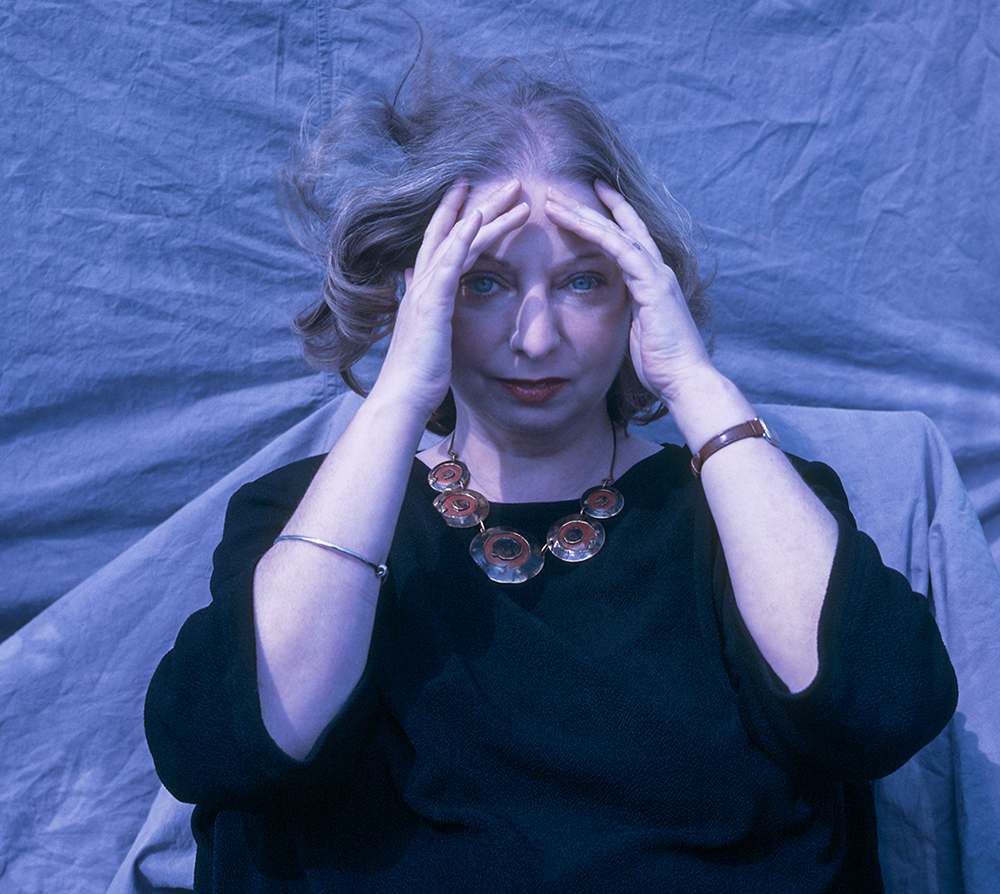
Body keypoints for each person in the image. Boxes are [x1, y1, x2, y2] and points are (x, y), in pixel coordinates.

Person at [145, 60, 957, 892]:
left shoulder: (747, 504)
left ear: (641, 292)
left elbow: (879, 713)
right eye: (483, 282)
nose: (535, 339)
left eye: (583, 281)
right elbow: (227, 752)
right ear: (419, 293)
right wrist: (399, 395)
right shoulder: (300, 513)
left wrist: (694, 382)